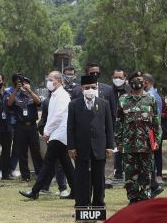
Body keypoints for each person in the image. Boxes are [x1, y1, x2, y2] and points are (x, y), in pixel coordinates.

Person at [19, 71, 75, 200]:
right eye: (48, 79)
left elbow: (58, 116)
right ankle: (76, 190)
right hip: (57, 134)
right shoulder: (55, 95)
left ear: (59, 81)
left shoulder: (62, 95)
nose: (48, 82)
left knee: (48, 163)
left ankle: (35, 191)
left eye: (51, 79)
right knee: (66, 165)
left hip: (59, 134)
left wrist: (47, 131)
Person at [65, 75, 114, 207]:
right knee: (82, 177)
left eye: (93, 87)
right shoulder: (74, 105)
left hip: (99, 147)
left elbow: (109, 127)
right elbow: (70, 127)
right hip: (81, 147)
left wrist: (110, 146)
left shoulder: (104, 104)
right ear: (82, 88)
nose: (90, 90)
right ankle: (81, 204)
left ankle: (98, 203)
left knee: (99, 177)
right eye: (87, 88)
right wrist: (71, 147)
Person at [116, 71, 162, 204]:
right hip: (128, 144)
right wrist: (118, 142)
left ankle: (145, 197)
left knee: (146, 172)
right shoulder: (123, 100)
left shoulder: (150, 99)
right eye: (135, 80)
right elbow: (118, 123)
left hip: (146, 144)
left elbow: (156, 122)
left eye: (140, 80)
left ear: (144, 83)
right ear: (130, 83)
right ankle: (133, 197)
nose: (138, 82)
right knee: (130, 172)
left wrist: (157, 141)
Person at [7, 74, 43, 182]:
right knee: (22, 152)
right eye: (22, 84)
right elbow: (9, 103)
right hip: (20, 127)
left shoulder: (32, 95)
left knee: (35, 151)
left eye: (26, 83)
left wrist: (30, 91)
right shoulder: (16, 96)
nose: (24, 85)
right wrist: (15, 90)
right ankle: (25, 175)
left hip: (32, 126)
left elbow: (39, 102)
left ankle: (39, 173)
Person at [109, 69, 130, 185]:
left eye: (120, 78)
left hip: (126, 125)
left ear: (125, 78)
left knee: (124, 150)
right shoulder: (108, 91)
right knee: (113, 149)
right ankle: (116, 173)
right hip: (111, 124)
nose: (118, 80)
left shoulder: (129, 90)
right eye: (116, 77)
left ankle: (125, 172)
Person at [143, 73, 164, 183]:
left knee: (156, 154)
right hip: (150, 129)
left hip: (152, 130)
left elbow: (156, 116)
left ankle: (158, 176)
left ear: (147, 82)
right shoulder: (148, 94)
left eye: (143, 81)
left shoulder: (153, 96)